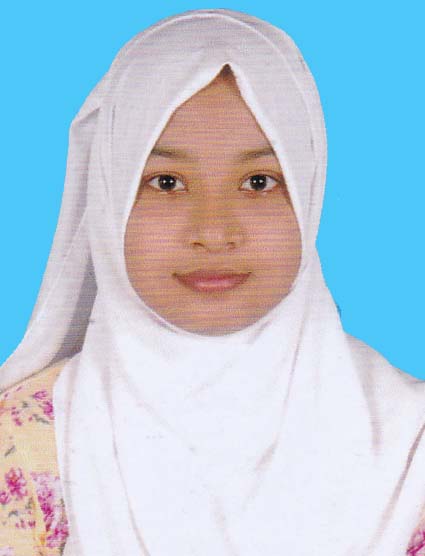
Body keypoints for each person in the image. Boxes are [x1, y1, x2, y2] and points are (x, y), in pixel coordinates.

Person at [0, 9, 424, 556]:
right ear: (108, 196)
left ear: (309, 193)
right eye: (166, 182)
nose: (214, 231)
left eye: (259, 182)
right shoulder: (24, 442)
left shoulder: (411, 444)